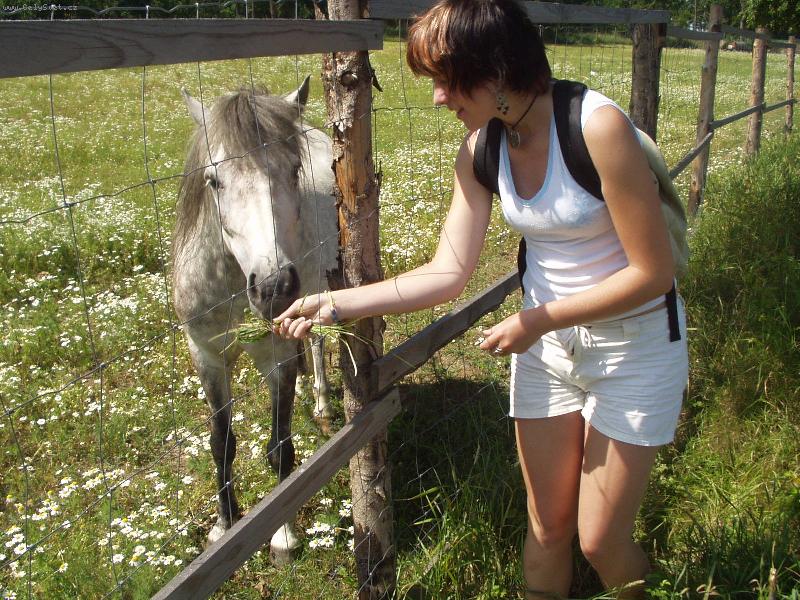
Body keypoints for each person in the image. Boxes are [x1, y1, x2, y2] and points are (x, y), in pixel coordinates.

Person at [275, 0, 689, 597]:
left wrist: (538, 319)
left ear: (495, 69)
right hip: (548, 352)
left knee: (600, 540)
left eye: (447, 80)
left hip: (634, 347)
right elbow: (446, 272)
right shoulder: (481, 151)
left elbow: (653, 273)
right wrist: (334, 304)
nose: (438, 98)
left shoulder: (597, 128)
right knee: (547, 527)